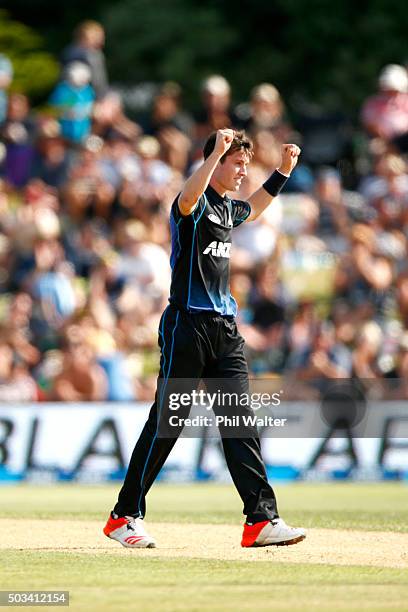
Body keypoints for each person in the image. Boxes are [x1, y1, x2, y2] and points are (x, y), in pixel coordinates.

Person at [103, 129, 306, 549]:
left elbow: (253, 209)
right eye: (237, 163)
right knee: (169, 420)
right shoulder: (192, 207)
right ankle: (124, 516)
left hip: (225, 330)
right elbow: (188, 197)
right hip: (186, 325)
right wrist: (215, 154)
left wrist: (282, 174)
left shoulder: (228, 209)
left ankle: (260, 521)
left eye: (245, 163)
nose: (243, 170)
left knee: (239, 421)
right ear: (216, 162)